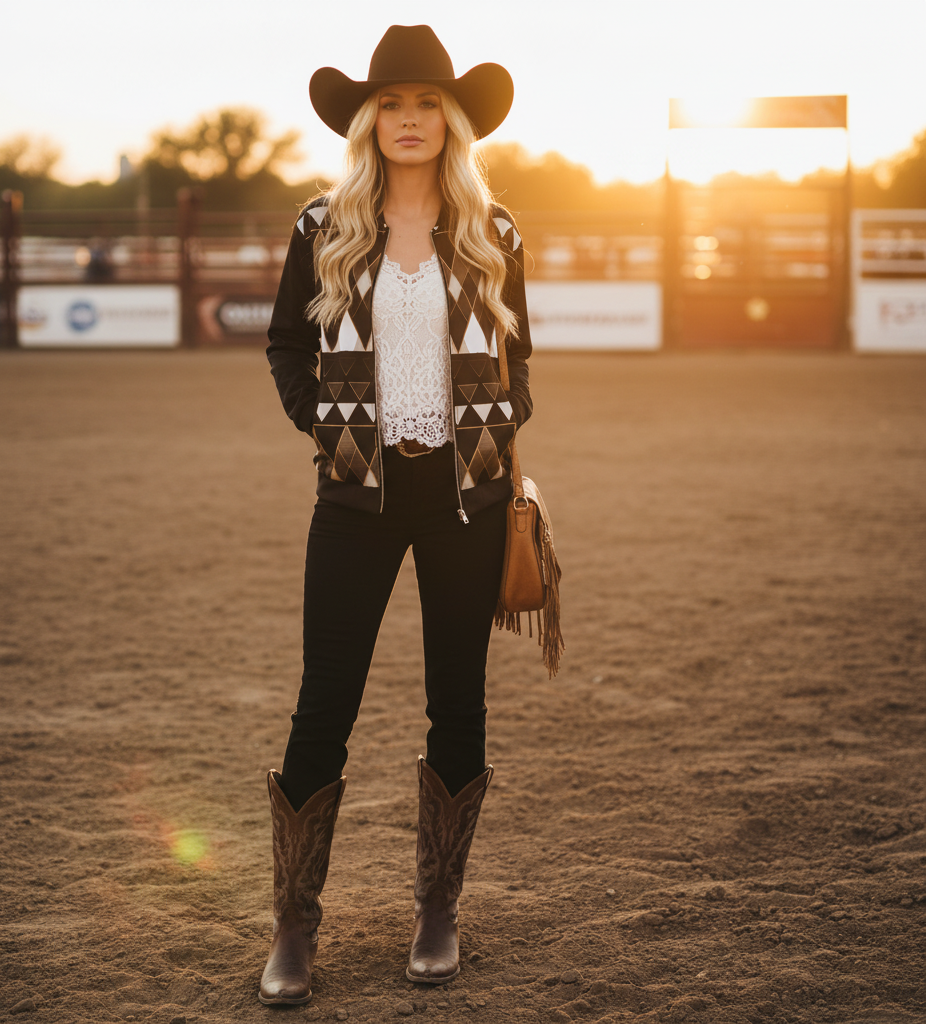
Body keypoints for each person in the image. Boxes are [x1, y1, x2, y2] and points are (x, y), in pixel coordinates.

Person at [261, 24, 532, 1006]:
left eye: (426, 105)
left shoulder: (491, 231)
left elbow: (521, 361)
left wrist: (498, 445)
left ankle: (437, 909)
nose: (409, 120)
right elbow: (286, 347)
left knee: (457, 702)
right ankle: (293, 926)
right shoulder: (319, 227)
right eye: (392, 105)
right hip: (355, 501)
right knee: (321, 706)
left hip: (467, 501)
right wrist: (323, 427)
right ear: (368, 121)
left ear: (450, 122)